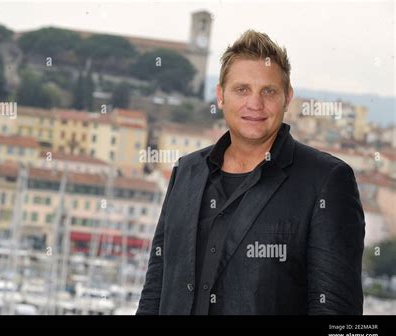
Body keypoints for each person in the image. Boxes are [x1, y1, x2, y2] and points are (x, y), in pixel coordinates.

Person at [136, 29, 365, 315]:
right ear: (220, 95)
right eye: (242, 89)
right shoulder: (187, 171)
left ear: (287, 98)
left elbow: (335, 311)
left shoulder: (326, 181)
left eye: (268, 91)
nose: (255, 104)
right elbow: (156, 287)